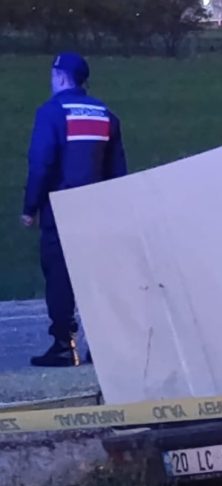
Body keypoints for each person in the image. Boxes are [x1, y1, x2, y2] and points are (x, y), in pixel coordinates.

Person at [21, 52, 127, 367]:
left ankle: (64, 345)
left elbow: (41, 163)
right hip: (98, 207)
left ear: (61, 76)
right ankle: (103, 346)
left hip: (62, 208)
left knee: (59, 276)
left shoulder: (51, 113)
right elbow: (117, 169)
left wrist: (30, 207)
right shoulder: (106, 114)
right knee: (96, 277)